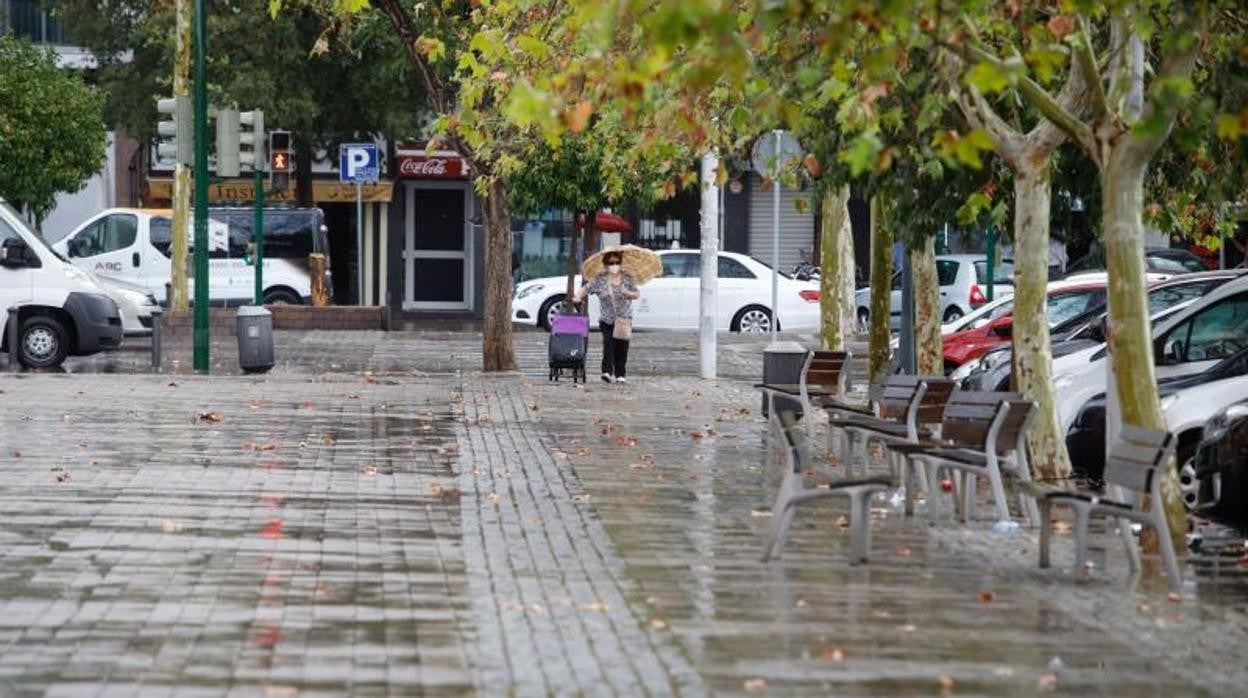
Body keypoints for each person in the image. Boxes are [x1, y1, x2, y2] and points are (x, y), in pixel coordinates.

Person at [571, 251, 639, 383]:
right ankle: (607, 371)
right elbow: (586, 288)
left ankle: (620, 374)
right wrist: (577, 296)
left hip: (624, 319)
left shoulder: (627, 278)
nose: (614, 265)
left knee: (622, 346)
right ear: (606, 264)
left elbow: (637, 294)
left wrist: (628, 293)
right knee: (608, 345)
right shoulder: (600, 279)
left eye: (617, 262)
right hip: (607, 319)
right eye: (611, 263)